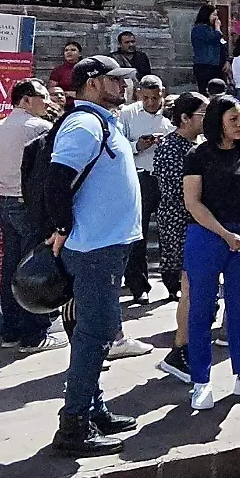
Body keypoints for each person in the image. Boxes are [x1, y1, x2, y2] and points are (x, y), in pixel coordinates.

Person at [44, 55, 145, 457]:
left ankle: (93, 409)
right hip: (92, 248)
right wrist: (63, 227)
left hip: (108, 245)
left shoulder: (105, 122)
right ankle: (74, 427)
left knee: (96, 332)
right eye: (114, 79)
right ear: (90, 83)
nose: (123, 86)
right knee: (95, 333)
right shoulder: (85, 124)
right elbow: (57, 181)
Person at [179, 96, 240, 409]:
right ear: (218, 121)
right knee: (201, 310)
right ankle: (200, 381)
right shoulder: (198, 154)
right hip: (207, 235)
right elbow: (192, 201)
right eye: (233, 119)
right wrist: (225, 234)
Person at [0, 79, 60, 352]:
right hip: (26, 204)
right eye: (42, 96)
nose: (47, 102)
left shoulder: (1, 126)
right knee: (34, 268)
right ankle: (34, 334)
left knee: (10, 267)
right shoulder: (38, 127)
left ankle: (11, 331)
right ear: (25, 99)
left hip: (5, 201)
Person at [151, 92, 207, 380]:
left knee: (197, 287)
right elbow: (178, 191)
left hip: (197, 222)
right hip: (181, 223)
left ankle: (189, 342)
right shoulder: (170, 148)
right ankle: (180, 347)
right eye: (202, 114)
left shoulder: (196, 146)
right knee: (190, 286)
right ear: (185, 118)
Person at [115, 75, 171, 304]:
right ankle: (138, 286)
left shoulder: (173, 112)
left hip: (167, 176)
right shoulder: (127, 114)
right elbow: (118, 143)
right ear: (138, 94)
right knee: (137, 234)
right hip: (140, 176)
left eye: (155, 98)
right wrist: (138, 145)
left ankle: (173, 282)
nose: (150, 102)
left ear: (162, 93)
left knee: (171, 231)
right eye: (146, 98)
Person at [189, 6, 225, 89]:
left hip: (214, 65)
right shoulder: (199, 29)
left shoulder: (210, 29)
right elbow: (214, 38)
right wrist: (218, 29)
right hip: (205, 65)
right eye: (214, 15)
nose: (216, 18)